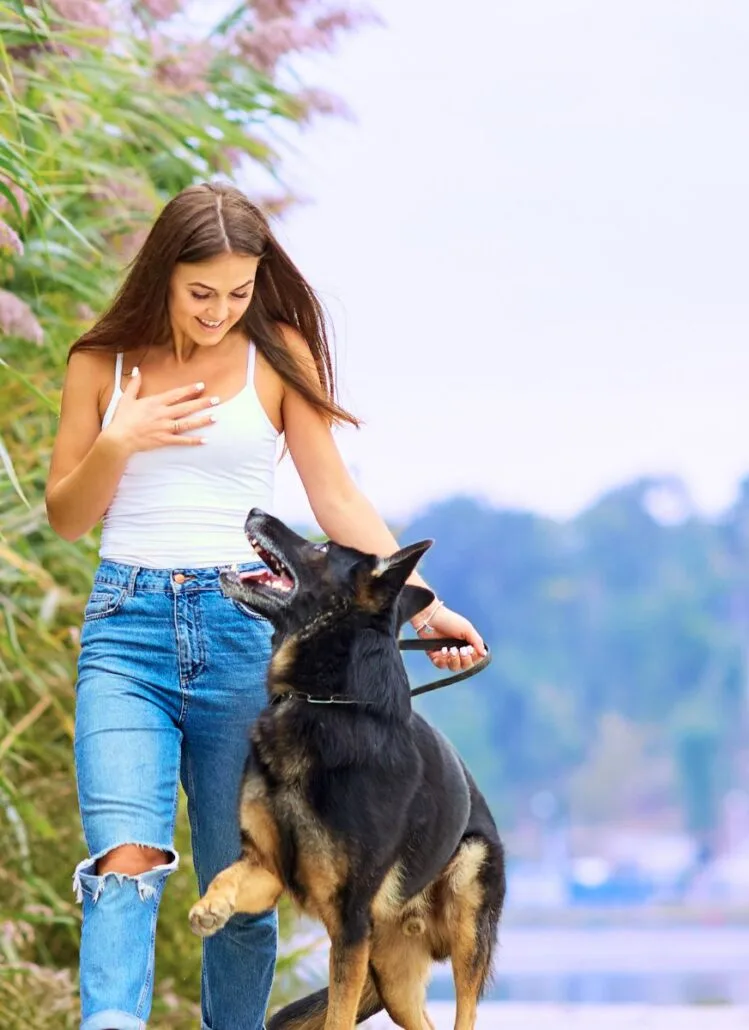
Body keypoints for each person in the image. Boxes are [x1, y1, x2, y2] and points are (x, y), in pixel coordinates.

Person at [45, 181, 486, 1030]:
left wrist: (425, 607)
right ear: (163, 275)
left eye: (239, 292)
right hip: (125, 634)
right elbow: (68, 517)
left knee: (246, 882)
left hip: (241, 637)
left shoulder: (277, 354)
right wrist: (119, 440)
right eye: (201, 292)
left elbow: (335, 501)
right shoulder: (101, 364)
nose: (219, 311)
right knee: (122, 866)